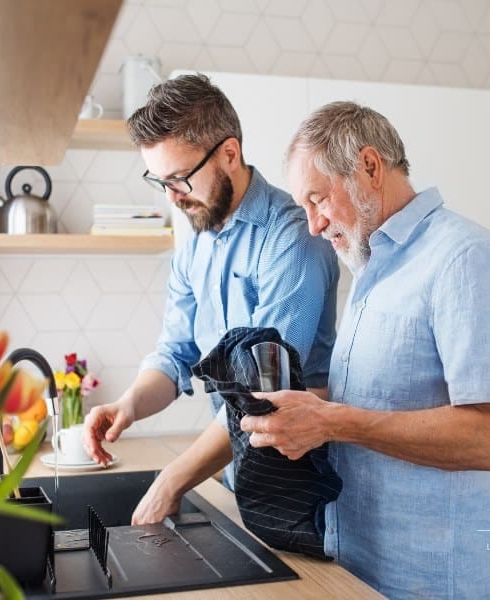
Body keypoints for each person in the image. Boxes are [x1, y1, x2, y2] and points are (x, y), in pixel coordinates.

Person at [240, 101, 490, 598]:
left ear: (370, 167)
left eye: (318, 199)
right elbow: (385, 396)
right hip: (355, 566)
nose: (312, 225)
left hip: (426, 581)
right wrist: (302, 409)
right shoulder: (371, 267)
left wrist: (333, 421)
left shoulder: (463, 258)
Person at [82, 74, 340, 522]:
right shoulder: (196, 245)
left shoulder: (291, 238)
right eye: (159, 181)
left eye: (180, 178)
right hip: (238, 471)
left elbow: (262, 393)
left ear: (229, 154)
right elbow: (175, 353)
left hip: (302, 486)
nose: (172, 197)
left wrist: (173, 479)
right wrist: (130, 404)